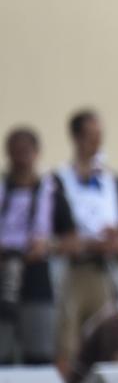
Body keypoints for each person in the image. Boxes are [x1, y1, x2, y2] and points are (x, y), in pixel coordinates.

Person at [53, 109, 118, 380]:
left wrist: (115, 237)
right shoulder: (59, 179)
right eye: (90, 136)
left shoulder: (108, 180)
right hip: (74, 269)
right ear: (76, 138)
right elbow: (58, 232)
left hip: (104, 270)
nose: (96, 143)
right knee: (68, 343)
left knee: (112, 338)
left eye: (99, 136)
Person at [0, 127, 57, 365]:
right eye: (16, 152)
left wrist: (46, 246)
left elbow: (72, 237)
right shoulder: (4, 189)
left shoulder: (50, 189)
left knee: (38, 351)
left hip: (35, 275)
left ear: (36, 153)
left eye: (26, 152)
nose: (21, 159)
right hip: (4, 271)